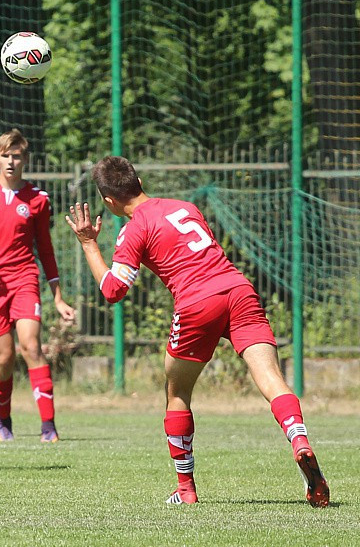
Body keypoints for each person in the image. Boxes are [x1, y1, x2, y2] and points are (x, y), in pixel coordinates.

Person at [65, 155, 329, 507]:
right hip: (238, 290)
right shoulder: (185, 206)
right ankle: (299, 440)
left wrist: (88, 243)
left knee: (177, 393)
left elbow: (113, 290)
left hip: (196, 304)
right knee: (271, 379)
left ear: (109, 202)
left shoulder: (133, 229)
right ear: (139, 181)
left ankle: (186, 490)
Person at [0, 129, 76, 443]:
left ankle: (49, 428)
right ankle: (3, 421)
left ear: (25, 159)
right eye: (6, 155)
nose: (11, 161)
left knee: (32, 347)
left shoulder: (38, 199)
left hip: (24, 279)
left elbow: (46, 250)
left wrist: (58, 297)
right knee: (5, 358)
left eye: (17, 156)